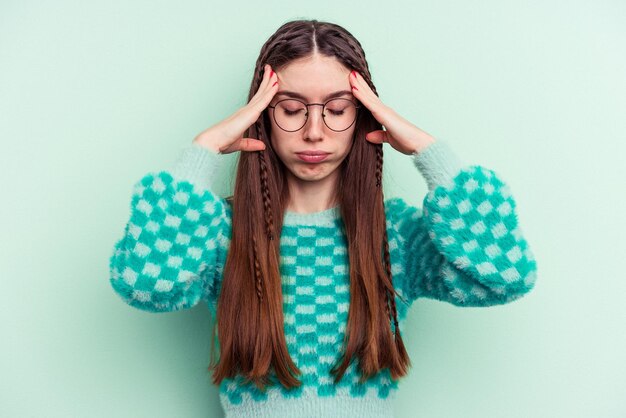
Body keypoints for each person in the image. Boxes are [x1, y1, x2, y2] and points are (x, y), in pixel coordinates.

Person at [109, 19, 538, 418]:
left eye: (337, 109)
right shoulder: (222, 232)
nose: (314, 131)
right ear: (263, 117)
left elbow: (506, 276)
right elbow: (142, 285)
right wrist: (202, 152)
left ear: (362, 116)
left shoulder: (395, 237)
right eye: (292, 109)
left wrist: (429, 153)